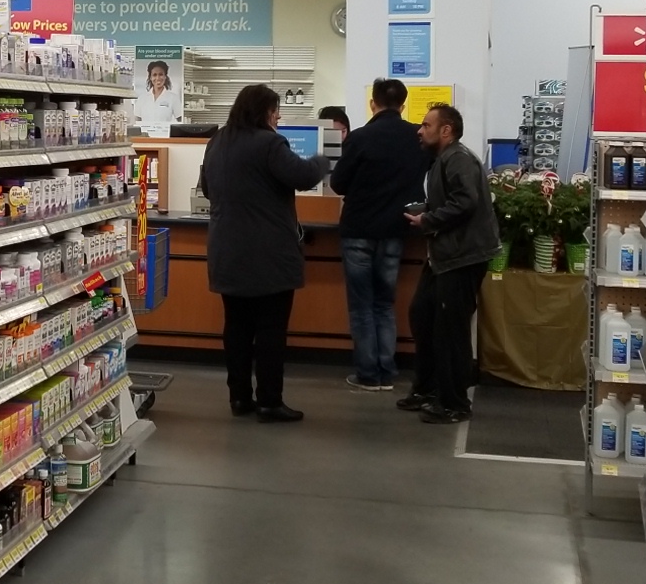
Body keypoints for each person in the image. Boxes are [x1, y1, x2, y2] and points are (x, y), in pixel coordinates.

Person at [198, 83, 330, 423]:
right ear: (265, 113)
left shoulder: (217, 141)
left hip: (227, 250)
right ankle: (270, 401)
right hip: (268, 253)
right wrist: (323, 159)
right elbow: (303, 176)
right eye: (275, 111)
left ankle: (239, 397)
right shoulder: (270, 143)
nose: (279, 117)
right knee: (271, 329)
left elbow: (208, 189)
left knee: (236, 328)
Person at [400, 103, 499, 424]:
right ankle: (428, 389)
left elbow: (466, 201)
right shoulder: (444, 160)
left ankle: (455, 403)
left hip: (461, 257)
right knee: (423, 314)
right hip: (444, 256)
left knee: (451, 331)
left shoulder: (458, 158)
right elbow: (456, 200)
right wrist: (428, 209)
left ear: (446, 130)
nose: (419, 131)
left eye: (426, 125)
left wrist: (428, 219)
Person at [329, 80, 430, 391]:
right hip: (396, 229)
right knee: (384, 303)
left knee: (361, 306)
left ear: (373, 103)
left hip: (359, 228)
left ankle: (368, 374)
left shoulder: (360, 137)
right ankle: (387, 370)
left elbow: (338, 183)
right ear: (403, 104)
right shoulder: (417, 137)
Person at [132, 59, 182, 132]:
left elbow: (180, 121)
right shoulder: (142, 98)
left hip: (164, 137)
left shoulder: (173, 98)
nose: (158, 78)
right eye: (154, 75)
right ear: (150, 77)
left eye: (161, 74)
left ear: (165, 76)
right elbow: (137, 121)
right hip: (146, 137)